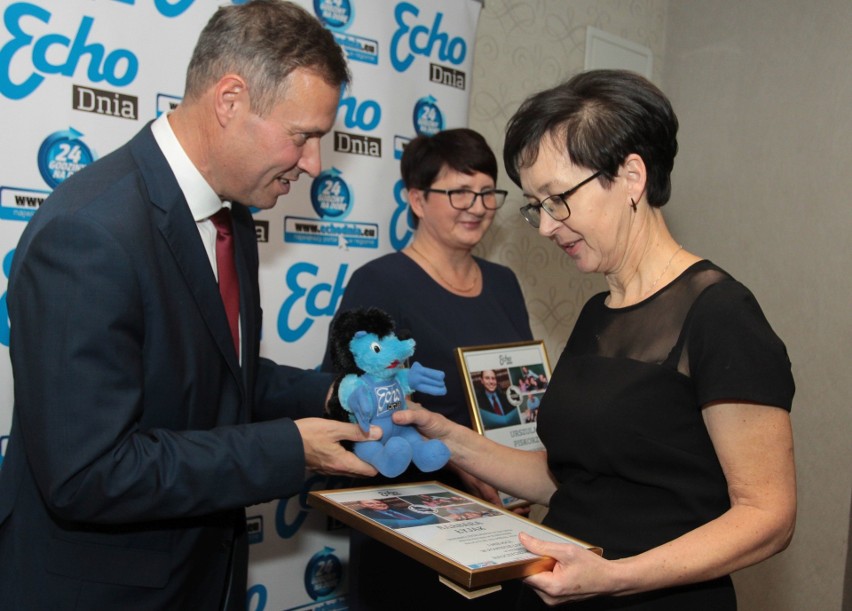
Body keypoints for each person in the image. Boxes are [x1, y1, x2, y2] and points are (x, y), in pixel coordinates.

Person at [0, 2, 381, 609]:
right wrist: (289, 449)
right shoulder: (91, 234)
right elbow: (88, 472)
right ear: (230, 100)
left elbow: (214, 379)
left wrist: (333, 395)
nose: (313, 164)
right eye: (303, 136)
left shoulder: (231, 216)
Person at [393, 69, 796, 610]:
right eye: (535, 205)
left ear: (631, 176)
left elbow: (767, 516)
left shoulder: (720, 314)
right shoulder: (598, 312)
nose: (544, 226)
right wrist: (446, 435)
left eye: (556, 198)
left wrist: (615, 577)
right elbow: (571, 479)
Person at [321, 128, 533, 609]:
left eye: (486, 192)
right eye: (458, 191)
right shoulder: (379, 282)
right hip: (410, 515)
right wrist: (463, 457)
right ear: (417, 199)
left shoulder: (504, 282)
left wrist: (523, 464)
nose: (476, 206)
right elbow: (348, 398)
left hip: (500, 515)